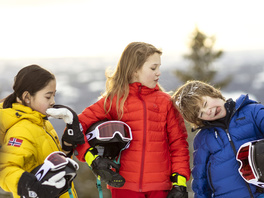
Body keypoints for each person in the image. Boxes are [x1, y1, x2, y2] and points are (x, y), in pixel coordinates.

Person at [74, 42, 191, 198]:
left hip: (160, 187)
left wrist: (180, 183)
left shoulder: (165, 103)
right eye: (153, 68)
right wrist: (93, 159)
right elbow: (75, 129)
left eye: (159, 68)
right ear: (135, 70)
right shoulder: (114, 101)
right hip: (123, 186)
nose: (159, 73)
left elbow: (179, 144)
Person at [171, 80, 264, 198]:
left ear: (213, 93)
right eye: (201, 114)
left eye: (205, 104)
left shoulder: (251, 113)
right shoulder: (203, 139)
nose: (208, 111)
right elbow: (200, 180)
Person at [0, 65, 82, 198]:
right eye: (48, 97)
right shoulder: (21, 129)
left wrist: (67, 147)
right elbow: (5, 169)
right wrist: (33, 188)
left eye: (54, 95)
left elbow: (51, 162)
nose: (53, 102)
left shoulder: (43, 124)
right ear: (27, 97)